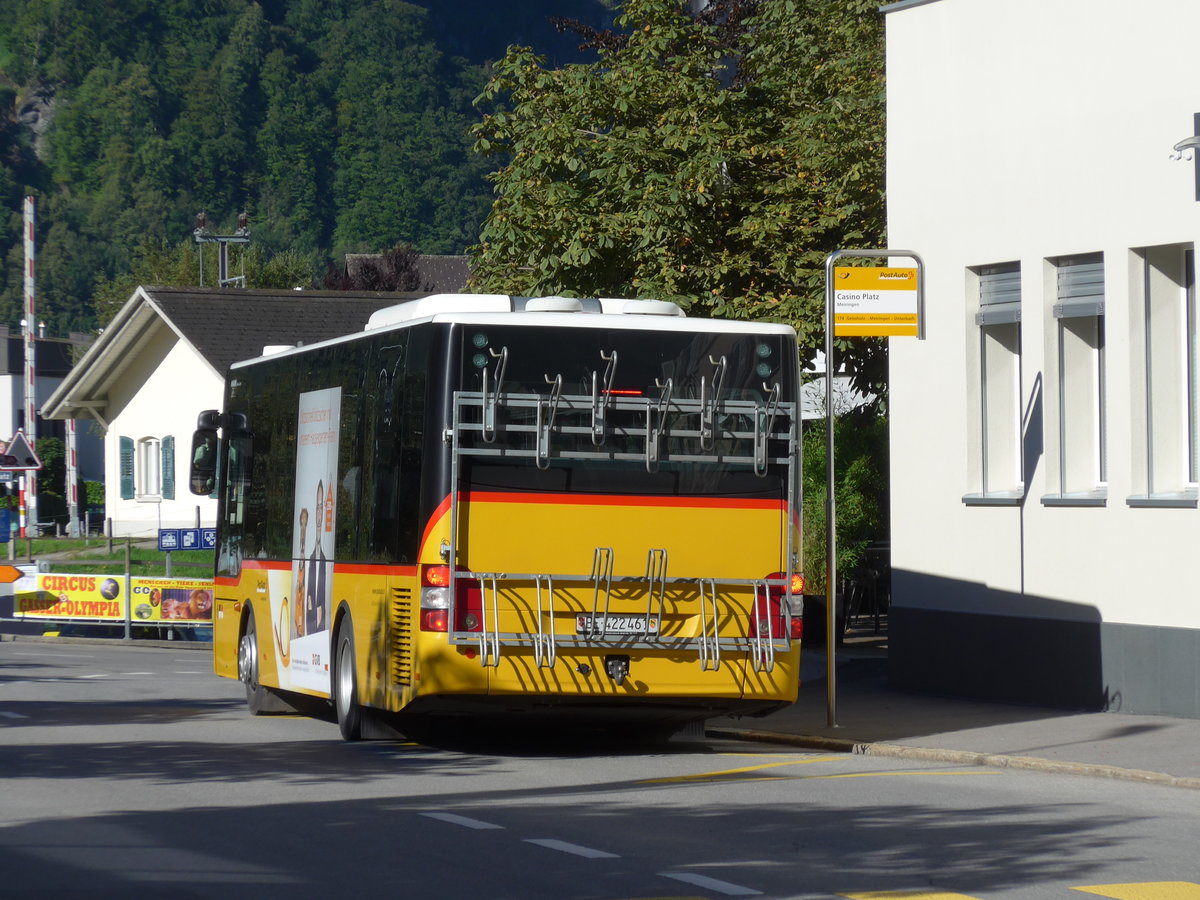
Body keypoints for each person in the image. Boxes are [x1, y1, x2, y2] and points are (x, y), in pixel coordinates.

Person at [305, 481, 327, 634]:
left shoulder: (324, 560)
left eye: (321, 508)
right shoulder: (311, 558)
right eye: (317, 508)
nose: (319, 514)